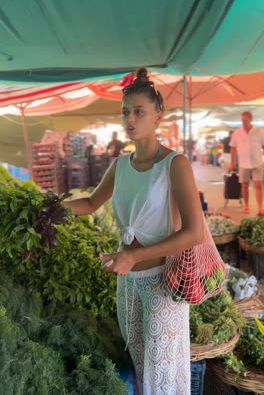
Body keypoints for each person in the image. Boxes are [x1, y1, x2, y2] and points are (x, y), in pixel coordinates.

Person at [66, 67, 204, 395]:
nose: (130, 120)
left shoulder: (175, 164)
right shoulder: (119, 165)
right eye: (125, 112)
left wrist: (134, 256)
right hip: (127, 284)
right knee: (141, 367)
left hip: (161, 285)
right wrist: (47, 205)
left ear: (159, 115)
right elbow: (89, 203)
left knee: (163, 372)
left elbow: (195, 232)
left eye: (139, 112)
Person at [230, 111, 264, 216]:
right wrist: (232, 162)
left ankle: (260, 208)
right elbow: (233, 148)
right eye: (242, 120)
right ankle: (247, 206)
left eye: (245, 120)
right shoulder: (237, 133)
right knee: (244, 185)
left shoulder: (259, 131)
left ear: (251, 119)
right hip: (243, 163)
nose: (243, 122)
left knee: (258, 184)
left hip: (258, 162)